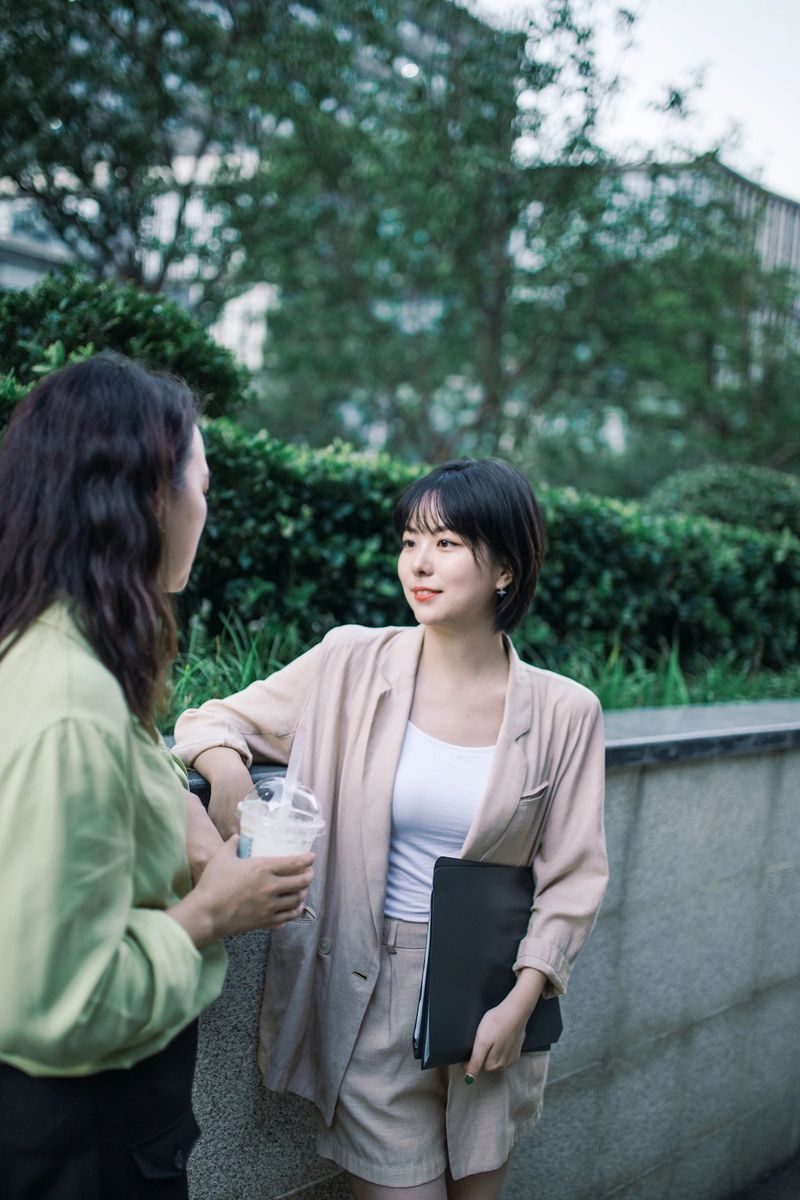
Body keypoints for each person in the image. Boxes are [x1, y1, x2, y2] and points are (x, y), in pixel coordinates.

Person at [174, 458, 608, 1200]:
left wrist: (522, 998)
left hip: (489, 997)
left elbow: (573, 874)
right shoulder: (351, 661)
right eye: (410, 541)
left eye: (446, 543)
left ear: (505, 567)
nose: (419, 564)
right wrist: (234, 780)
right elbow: (209, 720)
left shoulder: (566, 711)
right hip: (368, 989)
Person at [0, 355, 315, 1200]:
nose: (205, 510)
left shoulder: (46, 652)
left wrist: (176, 797)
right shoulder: (72, 700)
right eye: (201, 482)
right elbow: (51, 1003)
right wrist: (213, 913)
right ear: (149, 498)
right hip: (77, 1135)